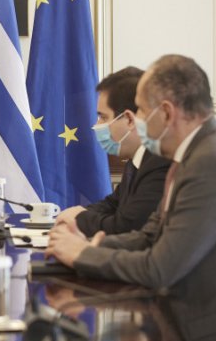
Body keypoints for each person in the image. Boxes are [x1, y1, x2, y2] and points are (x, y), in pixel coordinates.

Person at [45, 54, 216, 341]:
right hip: (175, 325)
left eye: (141, 109)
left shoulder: (210, 162)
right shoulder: (191, 154)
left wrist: (83, 255)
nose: (136, 119)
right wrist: (92, 245)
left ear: (166, 113)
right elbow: (149, 236)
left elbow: (160, 268)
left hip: (200, 338)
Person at [55, 67, 171, 235]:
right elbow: (112, 204)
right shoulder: (136, 160)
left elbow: (127, 226)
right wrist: (79, 212)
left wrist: (79, 218)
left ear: (129, 120)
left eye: (103, 117)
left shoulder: (159, 162)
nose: (97, 125)